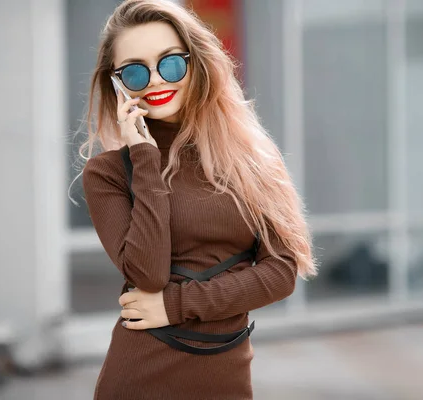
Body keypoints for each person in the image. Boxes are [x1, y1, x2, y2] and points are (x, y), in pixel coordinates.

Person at [80, 0, 316, 398]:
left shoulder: (249, 157)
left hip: (226, 374)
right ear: (117, 83)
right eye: (136, 71)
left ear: (197, 62)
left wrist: (176, 304)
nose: (156, 80)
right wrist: (145, 157)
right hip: (141, 375)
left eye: (170, 63)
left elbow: (280, 273)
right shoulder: (108, 173)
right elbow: (148, 275)